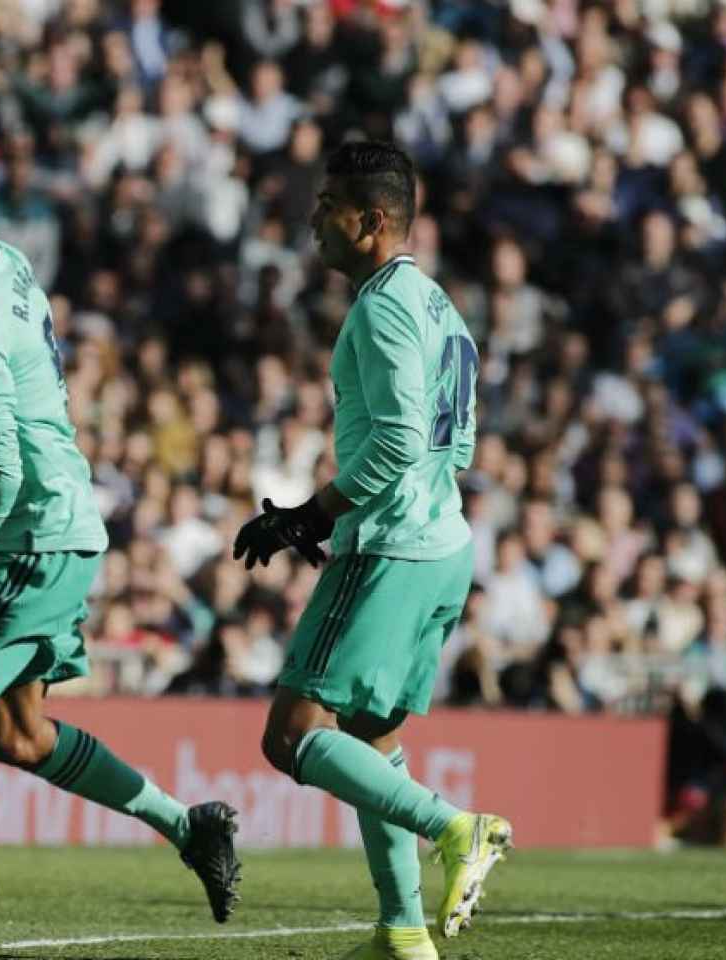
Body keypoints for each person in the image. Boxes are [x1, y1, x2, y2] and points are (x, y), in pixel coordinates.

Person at [0, 140, 241, 960]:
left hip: (26, 537)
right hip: (75, 526)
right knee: (15, 737)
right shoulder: (12, 267)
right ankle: (188, 825)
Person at [234, 140, 511, 960]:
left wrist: (308, 517)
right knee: (369, 742)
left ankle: (458, 827)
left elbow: (393, 444)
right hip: (442, 544)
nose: (315, 219)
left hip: (390, 548)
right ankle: (402, 932)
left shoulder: (384, 307)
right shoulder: (436, 305)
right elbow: (454, 444)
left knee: (291, 737)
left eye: (330, 206)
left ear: (373, 220)